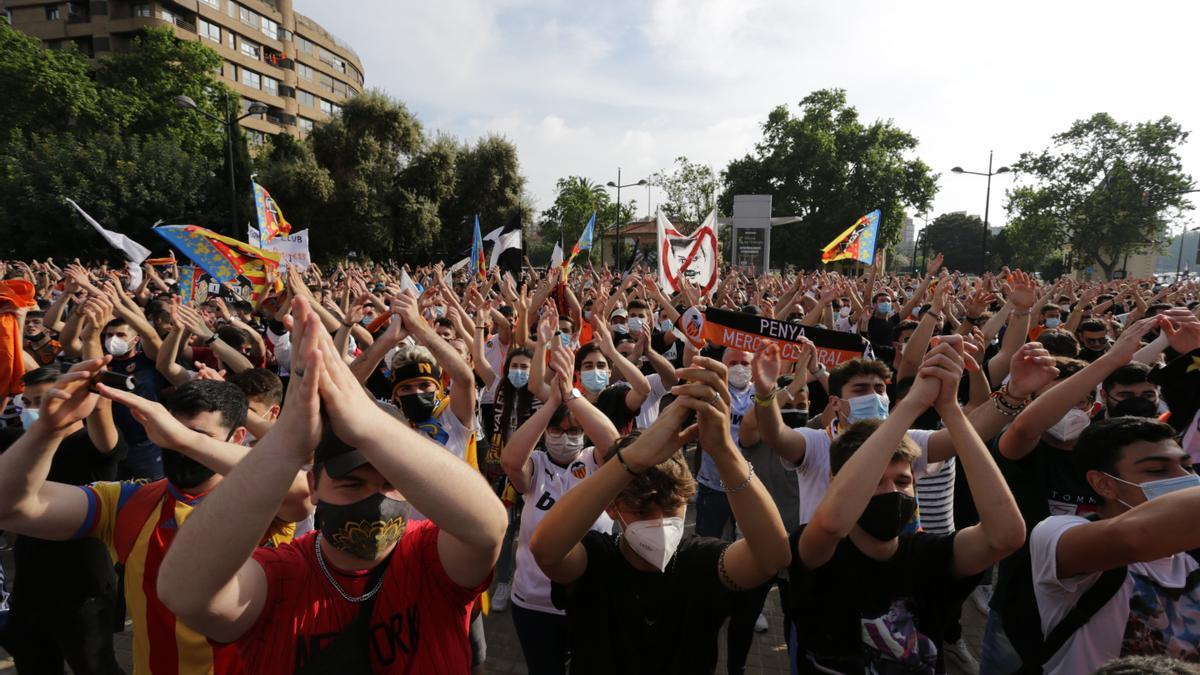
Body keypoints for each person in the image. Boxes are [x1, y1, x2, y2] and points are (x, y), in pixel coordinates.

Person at [155, 296, 508, 673]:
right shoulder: (281, 575)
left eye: (391, 482)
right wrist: (285, 446)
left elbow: (489, 527)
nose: (375, 498)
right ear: (313, 485)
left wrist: (371, 427)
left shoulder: (429, 556)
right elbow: (185, 593)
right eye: (353, 484)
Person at [0, 361, 308, 675]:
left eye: (198, 435)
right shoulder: (129, 501)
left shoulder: (260, 499)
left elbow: (300, 490)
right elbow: (10, 507)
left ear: (238, 436)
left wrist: (180, 437)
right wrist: (47, 429)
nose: (177, 444)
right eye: (172, 431)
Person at [529, 356, 791, 675]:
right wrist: (631, 460)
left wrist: (724, 450)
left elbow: (772, 557)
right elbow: (546, 549)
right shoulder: (596, 558)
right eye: (641, 510)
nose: (659, 522)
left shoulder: (702, 561)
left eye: (671, 507)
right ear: (612, 507)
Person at [787, 335, 1025, 673]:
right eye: (874, 482)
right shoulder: (819, 553)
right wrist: (912, 404)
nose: (890, 492)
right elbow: (831, 523)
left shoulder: (929, 555)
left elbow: (1006, 536)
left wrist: (950, 410)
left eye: (902, 481)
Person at [1030, 416, 1200, 673]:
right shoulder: (1056, 533)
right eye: (1157, 470)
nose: (1184, 479)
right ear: (1104, 484)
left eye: (1188, 467)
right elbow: (1133, 538)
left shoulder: (1190, 559)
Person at [500, 344, 620, 675]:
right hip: (533, 600)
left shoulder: (594, 461)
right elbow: (510, 461)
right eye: (557, 430)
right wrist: (551, 402)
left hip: (589, 597)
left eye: (574, 431)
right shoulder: (535, 464)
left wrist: (572, 397)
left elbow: (613, 445)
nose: (565, 437)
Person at [0, 366, 125, 675]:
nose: (37, 410)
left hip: (84, 584)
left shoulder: (91, 445)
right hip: (30, 579)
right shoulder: (22, 444)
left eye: (44, 400)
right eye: (28, 403)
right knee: (32, 659)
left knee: (93, 665)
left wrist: (95, 386)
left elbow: (105, 431)